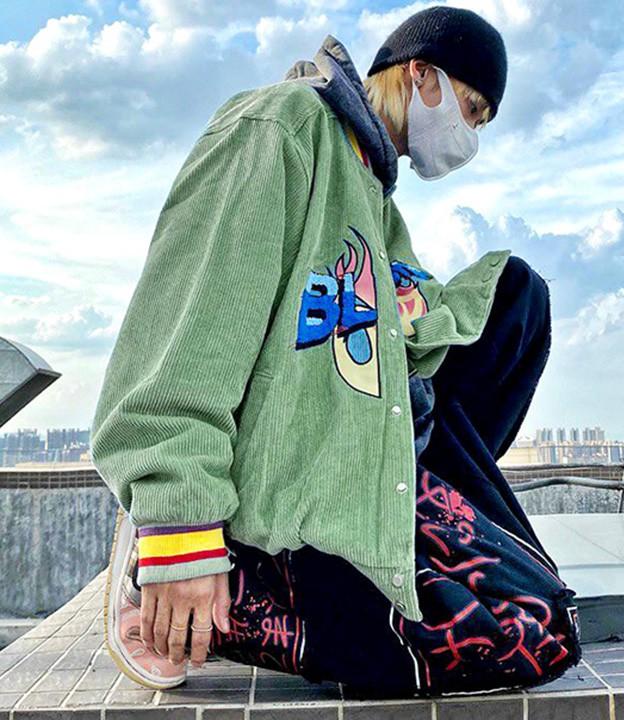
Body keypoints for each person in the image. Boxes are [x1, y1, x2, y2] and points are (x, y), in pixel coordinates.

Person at [92, 5, 582, 699]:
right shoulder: (282, 126)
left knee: (519, 298)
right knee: (527, 633)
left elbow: (409, 346)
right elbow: (190, 321)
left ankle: (395, 527)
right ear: (421, 74)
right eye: (472, 111)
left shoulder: (375, 198)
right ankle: (215, 579)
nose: (469, 135)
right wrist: (179, 525)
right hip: (288, 483)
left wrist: (449, 308)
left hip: (360, 461)